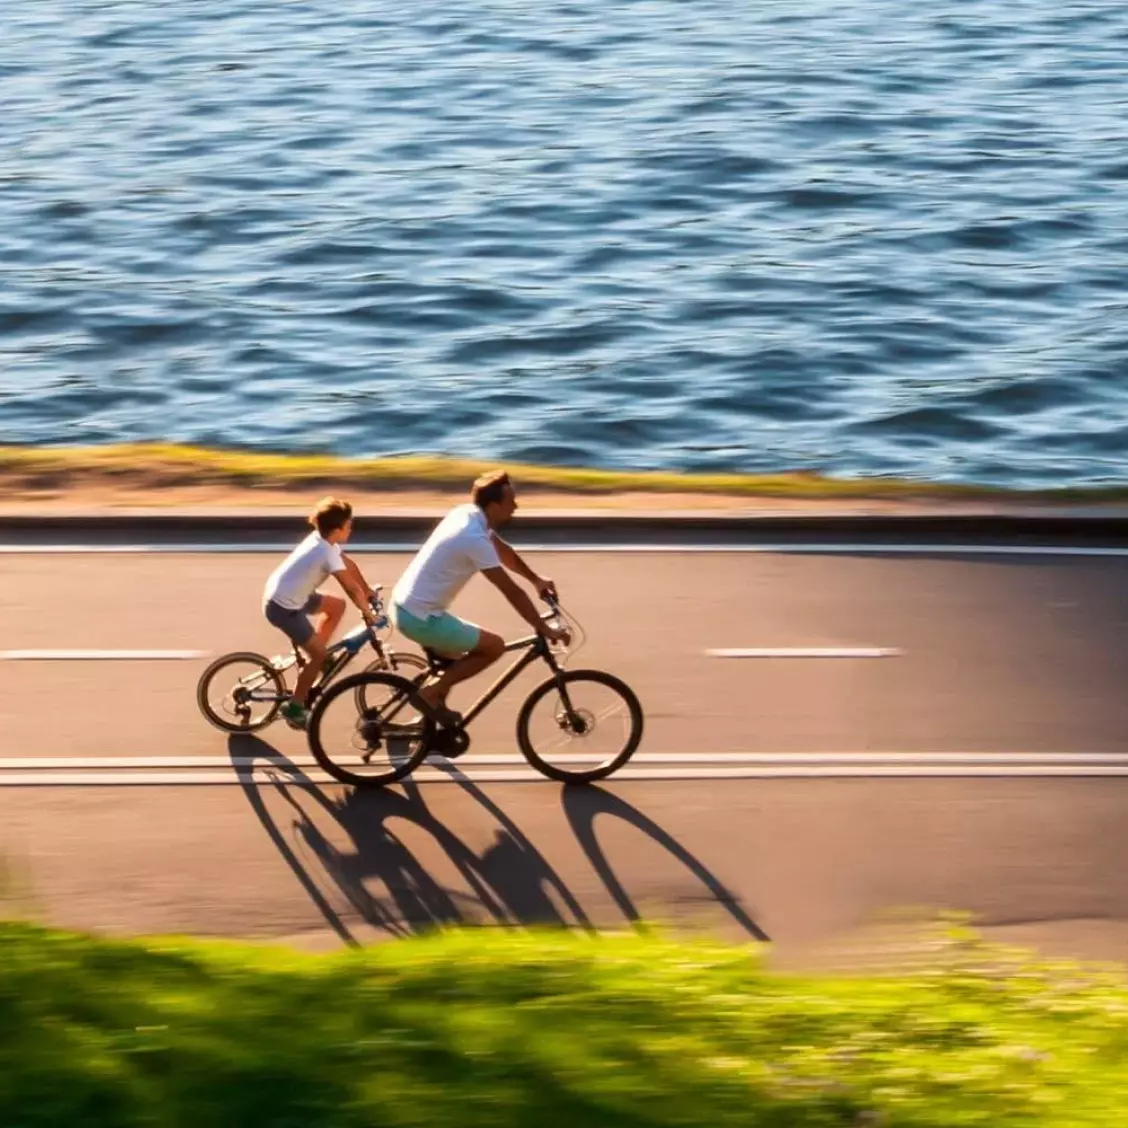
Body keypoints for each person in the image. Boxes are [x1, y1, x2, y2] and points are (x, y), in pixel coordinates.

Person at [390, 470, 569, 726]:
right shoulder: (472, 538)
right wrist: (543, 628)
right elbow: (510, 591)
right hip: (420, 618)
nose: (516, 506)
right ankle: (429, 694)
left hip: (407, 606)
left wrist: (536, 579)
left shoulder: (468, 514)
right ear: (494, 505)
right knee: (493, 647)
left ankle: (426, 721)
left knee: (453, 659)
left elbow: (503, 551)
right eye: (511, 501)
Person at [262, 497, 377, 729]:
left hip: (292, 595)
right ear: (337, 529)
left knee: (337, 606)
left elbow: (350, 568)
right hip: (283, 608)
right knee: (319, 655)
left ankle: (316, 655)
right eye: (348, 524)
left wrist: (369, 591)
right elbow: (349, 586)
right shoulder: (326, 552)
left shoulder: (324, 542)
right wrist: (368, 613)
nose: (351, 528)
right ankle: (294, 708)